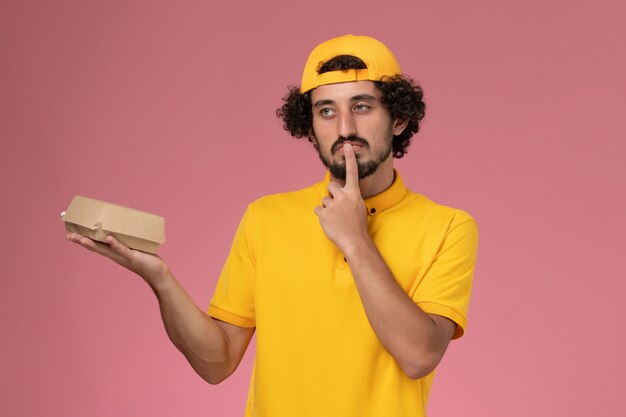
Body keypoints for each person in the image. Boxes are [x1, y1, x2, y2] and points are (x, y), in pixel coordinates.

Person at [67, 34, 478, 417]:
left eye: (362, 106)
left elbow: (419, 356)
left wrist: (355, 239)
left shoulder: (448, 227)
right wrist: (159, 278)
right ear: (310, 126)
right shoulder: (266, 218)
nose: (345, 128)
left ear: (399, 120)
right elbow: (218, 360)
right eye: (326, 111)